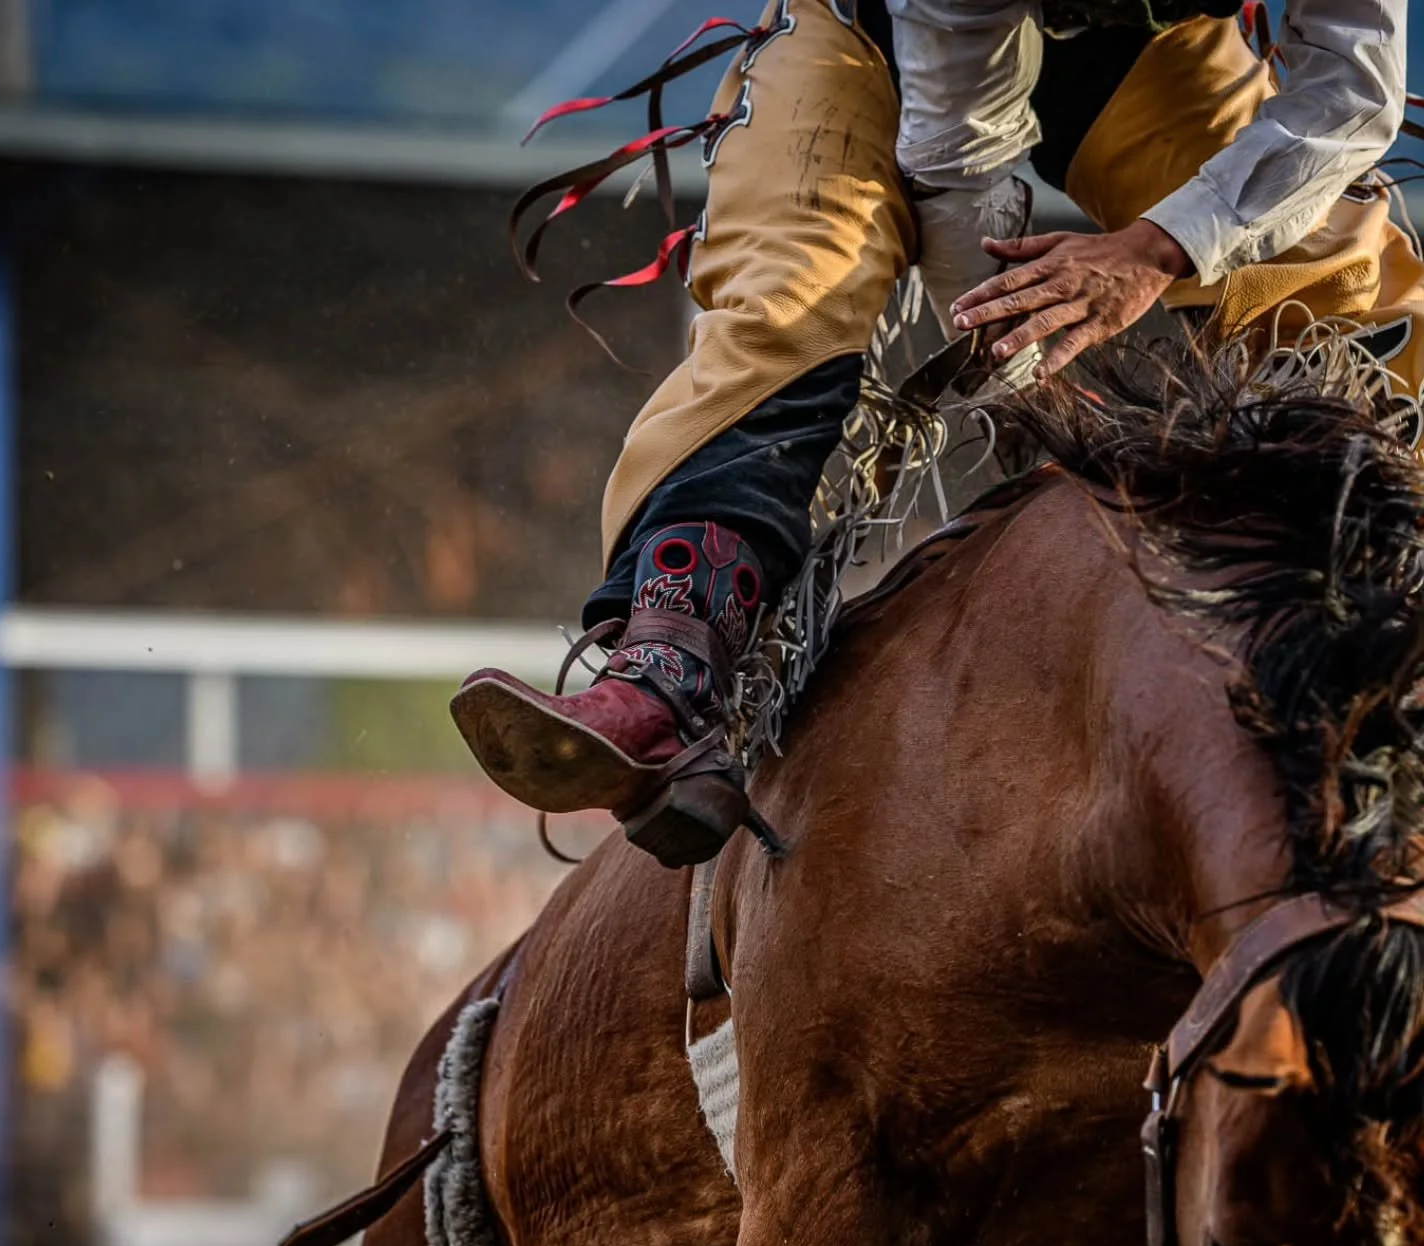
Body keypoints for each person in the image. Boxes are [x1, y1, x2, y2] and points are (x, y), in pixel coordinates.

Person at [453, 0, 1419, 868]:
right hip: (872, 31)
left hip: (1151, 46)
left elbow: (1353, 90)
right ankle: (666, 678)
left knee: (1341, 267)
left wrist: (1154, 252)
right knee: (791, 298)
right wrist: (1018, 365)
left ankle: (1404, 603)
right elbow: (963, 162)